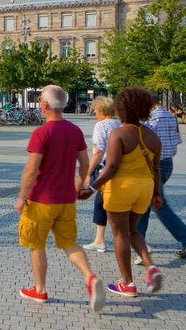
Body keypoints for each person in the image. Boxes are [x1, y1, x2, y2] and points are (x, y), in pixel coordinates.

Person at [15, 85, 105, 312]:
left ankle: (40, 289)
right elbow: (85, 164)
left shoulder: (42, 133)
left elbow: (31, 170)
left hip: (41, 200)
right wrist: (78, 185)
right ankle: (90, 277)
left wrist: (21, 197)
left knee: (36, 245)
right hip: (66, 200)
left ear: (44, 105)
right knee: (69, 243)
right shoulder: (74, 131)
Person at [82, 87, 165, 297]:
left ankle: (127, 283)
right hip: (145, 188)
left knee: (120, 234)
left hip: (121, 188)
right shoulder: (153, 136)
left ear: (121, 108)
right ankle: (150, 267)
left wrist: (92, 187)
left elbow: (110, 167)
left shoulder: (118, 134)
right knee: (132, 230)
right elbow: (156, 169)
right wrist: (157, 194)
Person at [135, 95, 186, 260]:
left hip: (153, 167)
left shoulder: (150, 120)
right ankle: (139, 242)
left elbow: (143, 143)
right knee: (145, 203)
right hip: (167, 165)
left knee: (159, 205)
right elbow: (176, 140)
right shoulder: (172, 117)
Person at [82, 96, 121, 253]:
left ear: (103, 111)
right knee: (103, 201)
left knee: (102, 202)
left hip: (104, 168)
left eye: (96, 111)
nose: (95, 114)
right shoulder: (119, 125)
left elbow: (98, 151)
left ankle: (101, 240)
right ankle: (100, 239)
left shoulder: (101, 126)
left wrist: (87, 172)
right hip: (119, 167)